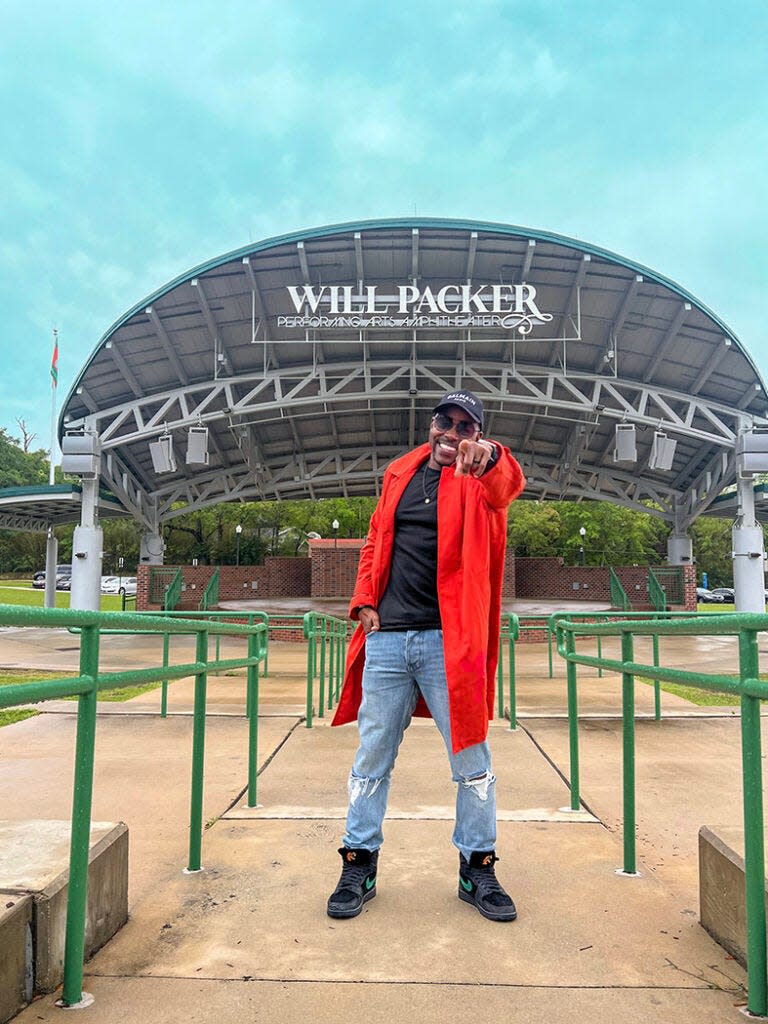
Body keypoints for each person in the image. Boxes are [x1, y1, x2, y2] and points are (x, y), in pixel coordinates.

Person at [327, 389, 525, 922]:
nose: (452, 433)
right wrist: (363, 599)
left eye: (466, 427)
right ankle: (359, 861)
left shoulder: (479, 478)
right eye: (446, 421)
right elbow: (374, 539)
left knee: (472, 761)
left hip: (450, 642)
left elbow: (509, 483)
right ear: (431, 423)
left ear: (476, 436)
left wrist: (491, 458)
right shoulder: (399, 473)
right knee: (372, 758)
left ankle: (477, 866)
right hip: (389, 639)